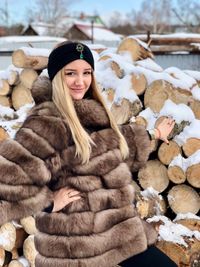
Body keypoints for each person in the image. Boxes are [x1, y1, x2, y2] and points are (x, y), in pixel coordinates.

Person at [0, 41, 177, 267]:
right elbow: (9, 180)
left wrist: (153, 134)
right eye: (70, 73)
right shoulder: (46, 124)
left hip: (117, 232)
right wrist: (48, 203)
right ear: (57, 77)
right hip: (76, 246)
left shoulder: (91, 114)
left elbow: (110, 149)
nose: (80, 81)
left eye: (87, 73)